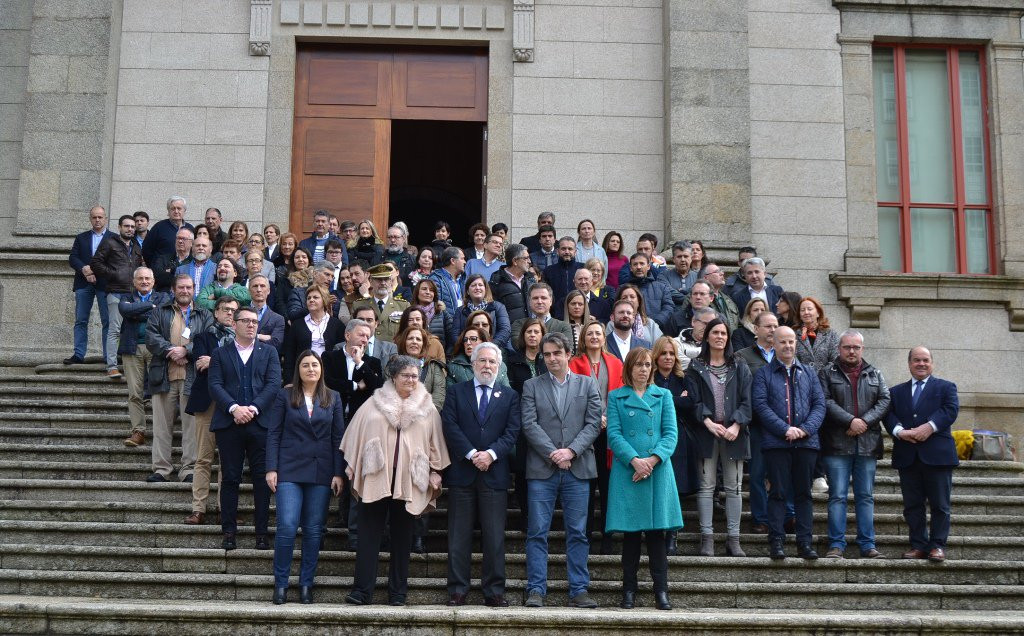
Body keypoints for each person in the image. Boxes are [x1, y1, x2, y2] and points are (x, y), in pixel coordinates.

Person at [341, 355, 450, 606]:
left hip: (410, 479)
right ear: (393, 377)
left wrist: (435, 471)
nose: (411, 380)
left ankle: (398, 592)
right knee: (369, 536)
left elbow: (435, 443)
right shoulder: (374, 403)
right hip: (376, 476)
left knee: (403, 539)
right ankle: (361, 591)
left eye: (414, 375)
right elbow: (356, 434)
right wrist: (352, 465)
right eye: (406, 375)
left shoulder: (428, 406)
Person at [520, 332, 603, 609]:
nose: (552, 358)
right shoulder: (532, 385)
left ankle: (579, 589)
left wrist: (571, 451)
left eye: (557, 353)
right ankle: (535, 589)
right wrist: (554, 454)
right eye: (547, 354)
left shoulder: (588, 384)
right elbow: (529, 424)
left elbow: (593, 424)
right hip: (542, 469)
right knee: (537, 531)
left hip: (578, 468)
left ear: (569, 354)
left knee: (578, 532)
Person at [441, 342, 521, 607]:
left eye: (492, 362)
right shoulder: (456, 392)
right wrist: (472, 453)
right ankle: (457, 590)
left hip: (495, 473)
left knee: (495, 536)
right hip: (463, 472)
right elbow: (449, 426)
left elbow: (511, 431)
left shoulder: (509, 396)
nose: (487, 366)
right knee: (458, 536)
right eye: (483, 361)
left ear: (499, 367)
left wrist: (491, 455)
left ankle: (494, 591)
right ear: (473, 363)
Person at [606, 348, 682, 610]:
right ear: (629, 367)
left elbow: (671, 434)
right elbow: (613, 435)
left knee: (656, 535)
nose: (643, 368)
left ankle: (662, 591)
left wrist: (651, 460)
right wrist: (635, 460)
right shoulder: (616, 397)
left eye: (647, 364)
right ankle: (629, 591)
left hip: (657, 471)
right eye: (638, 364)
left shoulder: (664, 395)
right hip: (629, 472)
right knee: (630, 536)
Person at [266, 350, 344, 604]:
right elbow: (274, 433)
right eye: (305, 365)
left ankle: (306, 584)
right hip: (289, 468)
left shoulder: (333, 398)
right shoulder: (285, 395)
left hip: (320, 471)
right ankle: (281, 583)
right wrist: (271, 468)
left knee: (312, 530)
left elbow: (338, 438)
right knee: (287, 526)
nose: (311, 369)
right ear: (298, 370)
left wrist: (338, 472)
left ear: (321, 369)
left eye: (315, 365)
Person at [208, 306, 282, 551]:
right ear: (235, 323)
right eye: (246, 321)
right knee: (230, 478)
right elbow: (215, 385)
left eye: (254, 321)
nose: (251, 325)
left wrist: (253, 408)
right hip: (229, 424)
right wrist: (233, 408)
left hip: (260, 424)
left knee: (263, 480)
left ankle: (262, 532)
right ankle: (229, 531)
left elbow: (273, 385)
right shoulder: (220, 353)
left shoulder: (269, 352)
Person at [752, 325, 826, 560]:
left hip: (806, 444)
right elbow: (761, 406)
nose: (788, 346)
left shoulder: (809, 373)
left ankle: (805, 543)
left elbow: (819, 405)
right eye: (783, 342)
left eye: (791, 341)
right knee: (778, 493)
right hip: (776, 444)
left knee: (804, 495)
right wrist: (785, 429)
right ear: (774, 344)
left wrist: (803, 430)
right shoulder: (764, 374)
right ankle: (777, 542)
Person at [819, 329, 892, 559]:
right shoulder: (827, 373)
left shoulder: (875, 374)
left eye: (856, 347)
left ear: (862, 349)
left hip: (867, 444)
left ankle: (867, 544)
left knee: (865, 496)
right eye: (847, 347)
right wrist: (850, 420)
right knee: (837, 496)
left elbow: (884, 400)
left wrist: (864, 422)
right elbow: (825, 400)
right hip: (837, 444)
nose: (852, 351)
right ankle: (836, 545)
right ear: (839, 348)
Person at [884, 346, 960, 563]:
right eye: (916, 360)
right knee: (912, 505)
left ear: (932, 363)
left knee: (940, 505)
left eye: (925, 360)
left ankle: (937, 546)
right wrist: (899, 432)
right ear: (909, 364)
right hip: (908, 456)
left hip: (937, 456)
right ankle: (918, 545)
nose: (921, 364)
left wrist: (930, 427)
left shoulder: (946, 387)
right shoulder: (896, 392)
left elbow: (950, 410)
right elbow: (889, 415)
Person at [686, 318, 753, 557]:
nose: (720, 337)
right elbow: (693, 401)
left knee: (734, 487)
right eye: (715, 332)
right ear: (707, 337)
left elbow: (748, 400)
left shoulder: (740, 365)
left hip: (734, 433)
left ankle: (733, 540)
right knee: (706, 487)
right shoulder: (696, 366)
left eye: (724, 333)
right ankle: (708, 539)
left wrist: (737, 424)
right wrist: (706, 421)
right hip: (706, 433)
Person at [323, 318, 384, 550]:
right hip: (332, 421)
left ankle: (353, 531)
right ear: (347, 335)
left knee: (356, 473)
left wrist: (359, 363)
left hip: (361, 424)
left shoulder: (372, 362)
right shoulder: (330, 357)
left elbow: (376, 386)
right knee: (335, 469)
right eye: (361, 335)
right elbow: (327, 382)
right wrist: (353, 386)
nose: (365, 339)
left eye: (368, 337)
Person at [568, 319, 623, 554]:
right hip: (584, 434)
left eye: (598, 333)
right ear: (583, 338)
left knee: (608, 487)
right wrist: (593, 418)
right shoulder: (574, 363)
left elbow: (620, 394)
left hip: (609, 435)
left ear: (604, 337)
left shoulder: (616, 363)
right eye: (589, 333)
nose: (594, 337)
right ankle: (586, 536)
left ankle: (608, 537)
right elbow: (571, 396)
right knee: (586, 488)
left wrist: (608, 417)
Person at [183, 296, 239, 526]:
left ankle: (225, 510)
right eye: (225, 310)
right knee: (203, 459)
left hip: (232, 405)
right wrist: (228, 363)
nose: (229, 314)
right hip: (207, 403)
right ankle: (198, 509)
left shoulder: (242, 342)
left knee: (228, 462)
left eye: (234, 311)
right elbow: (200, 365)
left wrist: (215, 360)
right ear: (215, 313)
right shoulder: (203, 337)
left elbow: (235, 368)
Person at [734, 311, 791, 534]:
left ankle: (787, 516)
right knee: (757, 474)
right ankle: (761, 518)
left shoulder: (784, 355)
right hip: (756, 424)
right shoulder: (742, 355)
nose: (772, 330)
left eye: (775, 326)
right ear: (755, 329)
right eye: (767, 326)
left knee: (782, 474)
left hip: (782, 425)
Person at [651, 335, 699, 554]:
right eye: (664, 353)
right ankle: (655, 533)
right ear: (657, 356)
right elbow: (649, 403)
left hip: (679, 439)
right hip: (653, 438)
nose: (668, 357)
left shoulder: (684, 377)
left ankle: (672, 535)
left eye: (672, 353)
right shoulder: (649, 377)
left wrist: (667, 398)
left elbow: (691, 403)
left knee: (675, 488)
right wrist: (676, 398)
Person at [118, 267, 170, 447]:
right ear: (134, 282)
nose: (144, 281)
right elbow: (125, 311)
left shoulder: (162, 297)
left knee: (158, 392)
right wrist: (148, 306)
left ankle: (160, 431)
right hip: (131, 348)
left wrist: (136, 311)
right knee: (134, 393)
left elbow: (160, 315)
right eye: (140, 279)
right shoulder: (126, 298)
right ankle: (138, 431)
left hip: (156, 349)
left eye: (148, 278)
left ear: (154, 281)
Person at [91, 214, 143, 378]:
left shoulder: (135, 246)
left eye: (132, 227)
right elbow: (96, 263)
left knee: (130, 330)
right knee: (114, 329)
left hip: (132, 294)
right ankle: (112, 366)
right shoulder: (109, 243)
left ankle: (128, 365)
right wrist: (113, 274)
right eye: (126, 226)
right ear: (119, 227)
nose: (130, 229)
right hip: (115, 292)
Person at [66, 206, 116, 365]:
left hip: (105, 284)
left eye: (100, 217)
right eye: (94, 217)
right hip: (83, 283)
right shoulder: (81, 238)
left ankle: (109, 357)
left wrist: (96, 271)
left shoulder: (114, 238)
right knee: (81, 320)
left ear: (106, 218)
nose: (97, 220)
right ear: (90, 219)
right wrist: (84, 269)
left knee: (107, 321)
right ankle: (78, 354)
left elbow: (117, 262)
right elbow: (73, 258)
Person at [283, 284, 344, 379]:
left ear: (324, 300)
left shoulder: (337, 325)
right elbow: (289, 355)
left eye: (315, 297)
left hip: (330, 376)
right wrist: (289, 381)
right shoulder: (297, 325)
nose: (311, 300)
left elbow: (342, 354)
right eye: (308, 298)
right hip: (303, 375)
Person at [446, 275, 512, 352]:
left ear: (485, 289)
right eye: (473, 285)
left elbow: (505, 330)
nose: (477, 288)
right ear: (467, 291)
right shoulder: (460, 311)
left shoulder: (498, 307)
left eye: (480, 285)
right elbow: (455, 334)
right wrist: (468, 347)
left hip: (494, 351)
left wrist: (489, 347)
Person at [395, 325, 447, 413]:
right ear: (404, 342)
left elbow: (438, 397)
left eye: (418, 339)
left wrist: (420, 416)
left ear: (423, 344)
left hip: (426, 419)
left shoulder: (434, 367)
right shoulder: (394, 365)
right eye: (410, 338)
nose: (414, 342)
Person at [353, 263, 411, 343]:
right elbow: (353, 331)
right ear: (371, 281)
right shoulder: (359, 305)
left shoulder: (403, 306)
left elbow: (408, 333)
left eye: (386, 279)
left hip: (394, 352)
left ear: (391, 281)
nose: (383, 283)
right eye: (379, 279)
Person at [617, 253, 674, 330]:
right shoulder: (622, 289)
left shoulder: (661, 287)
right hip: (628, 331)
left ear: (648, 266)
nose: (639, 267)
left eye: (642, 264)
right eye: (635, 264)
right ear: (631, 268)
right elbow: (617, 309)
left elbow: (668, 307)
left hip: (657, 330)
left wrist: (655, 323)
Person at [490, 243, 536, 324]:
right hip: (509, 332)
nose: (529, 261)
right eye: (526, 258)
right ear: (515, 261)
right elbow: (493, 311)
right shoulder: (497, 280)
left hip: (531, 331)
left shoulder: (531, 279)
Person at [141, 196, 193, 267]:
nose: (176, 211)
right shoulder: (159, 227)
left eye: (179, 208)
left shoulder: (190, 228)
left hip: (186, 271)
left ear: (184, 211)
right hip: (162, 272)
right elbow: (146, 249)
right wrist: (155, 267)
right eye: (173, 208)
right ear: (168, 211)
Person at [796, 296, 839, 372]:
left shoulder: (831, 334)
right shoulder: (794, 335)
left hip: (825, 381)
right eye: (802, 310)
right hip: (801, 380)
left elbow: (836, 359)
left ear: (818, 313)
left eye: (809, 309)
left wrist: (823, 375)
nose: (806, 312)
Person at [544, 237, 584, 313]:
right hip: (556, 313)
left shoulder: (583, 269)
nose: (567, 252)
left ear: (575, 251)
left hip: (579, 312)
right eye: (563, 249)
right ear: (557, 251)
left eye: (570, 249)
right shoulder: (548, 271)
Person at [249, 274, 285, 353]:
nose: (259, 289)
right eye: (255, 286)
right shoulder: (239, 314)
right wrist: (264, 337)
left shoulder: (278, 319)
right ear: (249, 290)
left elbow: (276, 344)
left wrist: (252, 337)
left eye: (262, 286)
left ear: (268, 291)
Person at [429, 246, 467, 314]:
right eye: (462, 258)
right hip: (446, 323)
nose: (465, 262)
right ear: (452, 261)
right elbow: (436, 307)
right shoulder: (436, 279)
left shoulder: (463, 279)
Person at [410, 279, 447, 343]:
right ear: (417, 292)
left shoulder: (442, 313)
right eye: (424, 289)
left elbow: (451, 339)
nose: (428, 292)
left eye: (431, 290)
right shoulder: (409, 313)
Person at [562, 290, 591, 356]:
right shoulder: (561, 328)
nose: (577, 307)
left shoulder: (592, 327)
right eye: (573, 304)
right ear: (567, 306)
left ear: (585, 307)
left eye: (580, 304)